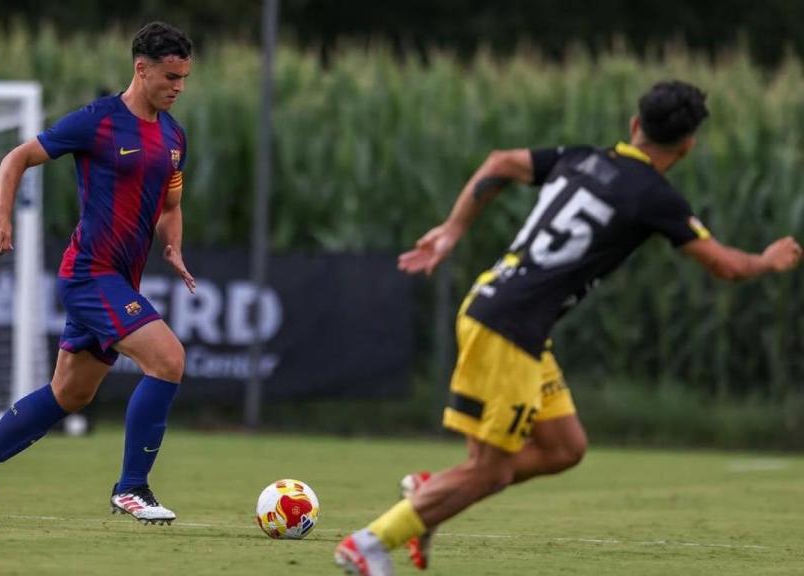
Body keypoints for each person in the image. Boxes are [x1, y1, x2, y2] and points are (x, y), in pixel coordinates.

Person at [334, 80, 802, 574]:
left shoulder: (579, 158)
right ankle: (369, 543)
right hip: (508, 329)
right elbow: (726, 266)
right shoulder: (655, 196)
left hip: (502, 312)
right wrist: (768, 261)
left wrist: (453, 229)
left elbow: (498, 162)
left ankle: (432, 494)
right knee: (488, 472)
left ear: (635, 126)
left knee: (564, 448)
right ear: (688, 145)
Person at [0, 21, 196, 527]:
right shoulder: (97, 121)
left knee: (71, 392)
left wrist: (174, 246)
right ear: (141, 69)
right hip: (89, 275)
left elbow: (171, 203)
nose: (178, 87)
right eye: (170, 76)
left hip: (122, 280)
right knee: (168, 359)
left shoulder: (173, 136)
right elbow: (18, 158)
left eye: (185, 78)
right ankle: (132, 489)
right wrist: (1, 212)